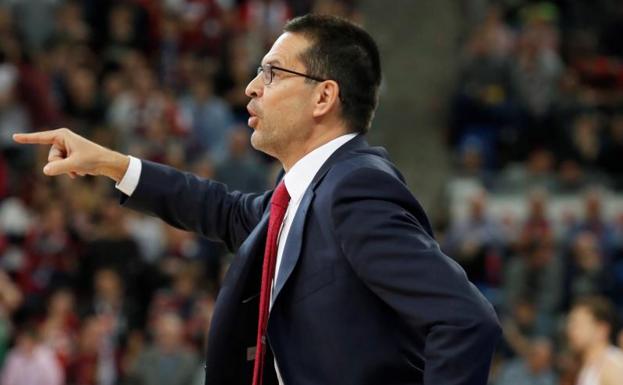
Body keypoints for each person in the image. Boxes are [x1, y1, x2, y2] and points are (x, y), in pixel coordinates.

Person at [13, 14, 501, 385]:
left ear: (323, 97)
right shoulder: (302, 196)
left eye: (271, 73)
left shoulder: (356, 188)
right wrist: (110, 164)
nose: (251, 87)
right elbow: (218, 207)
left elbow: (465, 321)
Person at [566, 296, 623, 385]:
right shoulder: (587, 367)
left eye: (578, 324)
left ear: (602, 329)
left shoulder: (613, 367)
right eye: (571, 323)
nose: (571, 330)